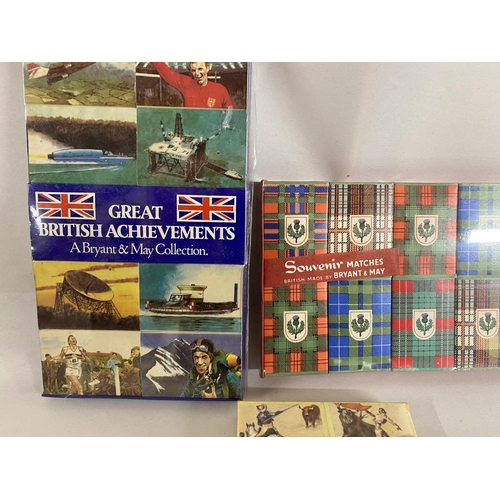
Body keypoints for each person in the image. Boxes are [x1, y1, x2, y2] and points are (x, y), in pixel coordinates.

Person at [152, 62, 234, 109]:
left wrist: (225, 125)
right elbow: (166, 73)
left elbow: (230, 110)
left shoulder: (219, 89)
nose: (197, 73)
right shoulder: (187, 84)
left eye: (200, 69)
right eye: (193, 70)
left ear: (207, 68)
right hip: (191, 131)